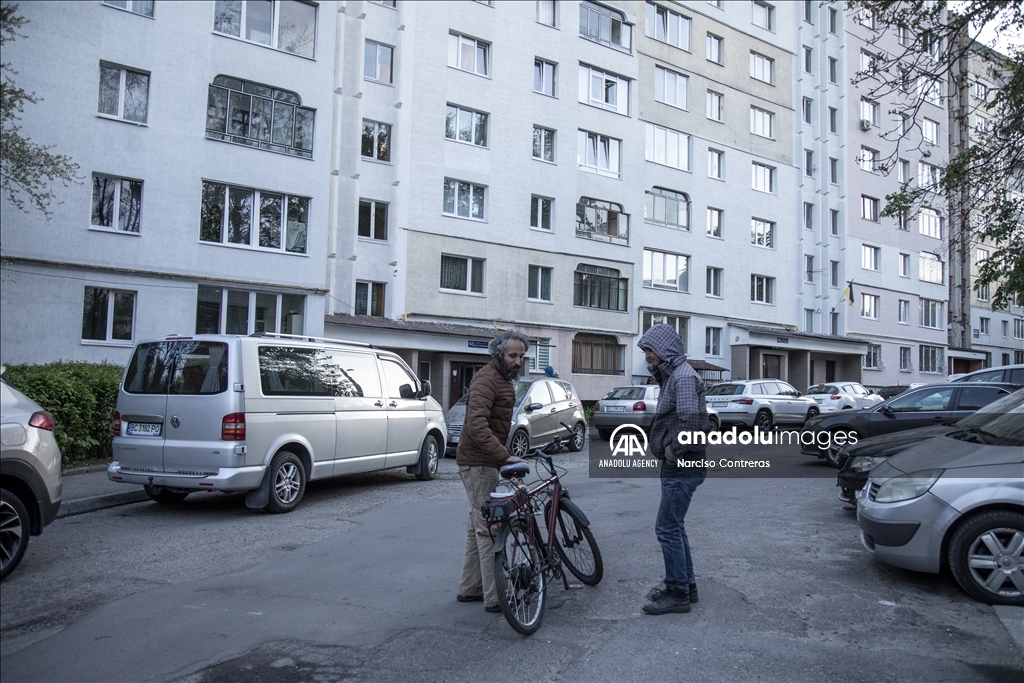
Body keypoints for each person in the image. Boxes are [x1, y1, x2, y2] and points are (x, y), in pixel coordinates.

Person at [637, 323, 711, 615]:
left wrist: (671, 453)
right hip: (681, 464)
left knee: (667, 528)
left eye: (650, 351)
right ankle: (685, 586)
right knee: (674, 527)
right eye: (645, 352)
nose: (647, 357)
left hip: (682, 463)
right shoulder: (675, 376)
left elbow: (691, 424)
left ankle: (678, 593)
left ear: (665, 349)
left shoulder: (682, 378)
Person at [455, 330, 529, 613]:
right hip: (477, 462)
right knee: (490, 527)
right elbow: (477, 426)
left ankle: (470, 587)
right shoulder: (487, 379)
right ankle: (496, 596)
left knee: (478, 526)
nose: (517, 361)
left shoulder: (501, 379)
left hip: (484, 461)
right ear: (498, 354)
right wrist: (504, 455)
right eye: (512, 355)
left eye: (521, 356)